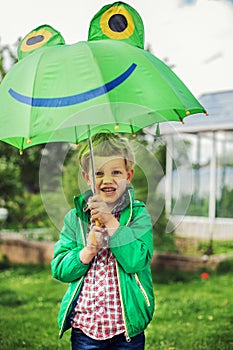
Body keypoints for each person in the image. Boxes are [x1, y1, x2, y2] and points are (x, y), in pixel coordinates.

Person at [51, 132, 155, 350]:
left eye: (116, 172)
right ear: (87, 178)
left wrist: (110, 221)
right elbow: (60, 269)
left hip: (126, 330)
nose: (107, 180)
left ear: (129, 175)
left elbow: (137, 260)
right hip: (85, 329)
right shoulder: (75, 218)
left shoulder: (138, 215)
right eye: (98, 173)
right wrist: (88, 250)